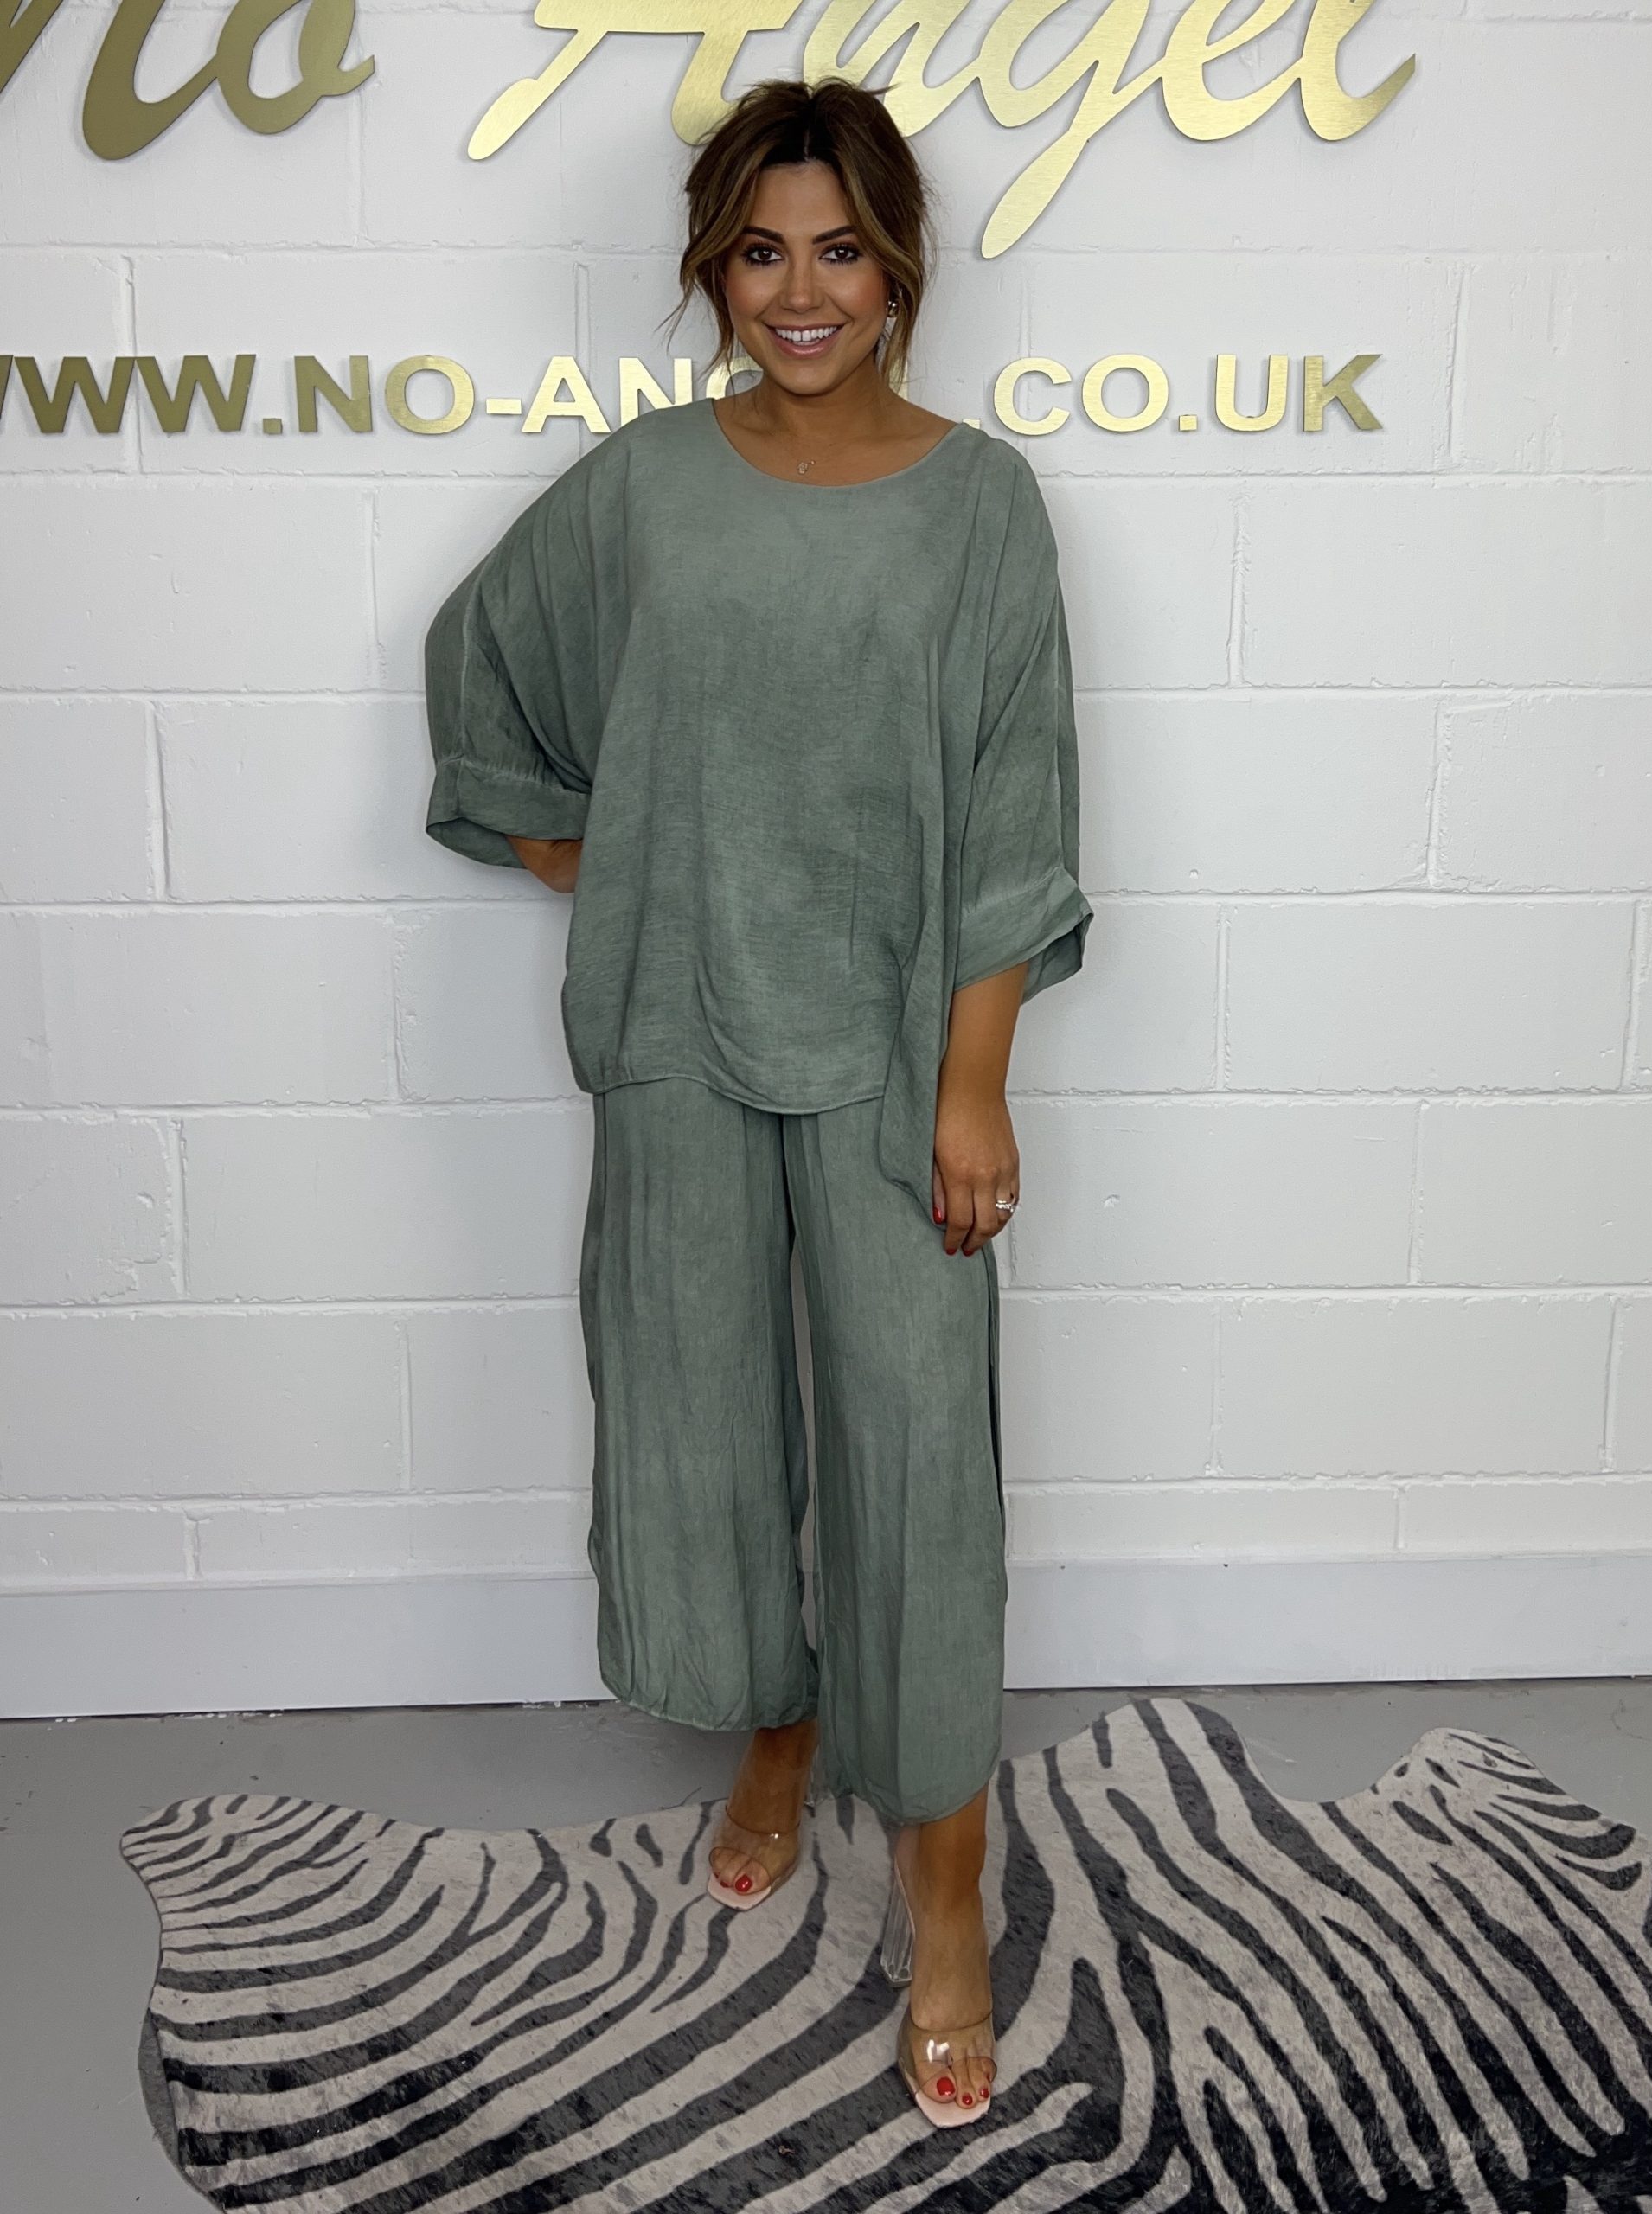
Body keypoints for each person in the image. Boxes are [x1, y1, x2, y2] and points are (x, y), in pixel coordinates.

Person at [421, 74, 1092, 2129]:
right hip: (682, 1032)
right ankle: (776, 1725)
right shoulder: (639, 491)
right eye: (760, 252)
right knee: (699, 1427)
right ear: (716, 269)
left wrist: (977, 1084)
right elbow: (484, 657)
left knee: (919, 1462)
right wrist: (592, 852)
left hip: (895, 1054)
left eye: (842, 251)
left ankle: (948, 1886)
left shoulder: (982, 506)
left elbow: (1016, 816)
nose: (801, 292)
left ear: (900, 268)